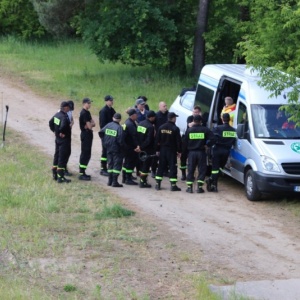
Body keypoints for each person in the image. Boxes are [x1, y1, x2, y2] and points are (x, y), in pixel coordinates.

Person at [206, 113, 236, 192]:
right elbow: (234, 141)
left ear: (222, 119)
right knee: (220, 168)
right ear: (229, 120)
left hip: (217, 150)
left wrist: (208, 145)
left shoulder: (217, 128)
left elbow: (213, 139)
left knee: (215, 168)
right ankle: (212, 181)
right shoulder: (233, 130)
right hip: (226, 152)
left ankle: (213, 184)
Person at [184, 115, 215, 193]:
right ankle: (199, 188)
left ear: (193, 121)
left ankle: (189, 188)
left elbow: (184, 142)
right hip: (201, 152)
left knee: (191, 169)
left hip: (191, 153)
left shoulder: (189, 130)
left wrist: (185, 152)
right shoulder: (205, 130)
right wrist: (207, 145)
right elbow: (213, 138)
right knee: (202, 169)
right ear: (201, 121)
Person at [155, 112, 182, 191]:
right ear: (173, 118)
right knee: (172, 167)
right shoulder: (175, 128)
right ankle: (173, 186)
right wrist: (179, 151)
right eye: (175, 118)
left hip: (162, 150)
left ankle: (158, 184)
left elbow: (157, 140)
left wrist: (157, 150)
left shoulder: (161, 127)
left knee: (161, 166)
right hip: (171, 151)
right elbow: (178, 141)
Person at [49, 101, 72, 183]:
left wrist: (55, 131)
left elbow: (50, 122)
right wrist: (61, 132)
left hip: (57, 139)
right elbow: (63, 126)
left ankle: (54, 174)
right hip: (64, 141)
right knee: (63, 157)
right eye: (68, 107)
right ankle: (60, 177)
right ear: (65, 108)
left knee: (57, 155)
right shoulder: (63, 117)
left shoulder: (57, 115)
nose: (69, 109)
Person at [99, 113, 124, 187]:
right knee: (117, 164)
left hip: (108, 148)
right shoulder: (119, 128)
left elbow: (101, 132)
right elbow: (120, 140)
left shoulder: (108, 125)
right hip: (116, 149)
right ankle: (115, 182)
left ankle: (109, 181)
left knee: (110, 163)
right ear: (120, 119)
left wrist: (104, 141)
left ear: (113, 118)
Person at [180, 105, 202, 181]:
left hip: (195, 141)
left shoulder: (202, 119)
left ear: (199, 113)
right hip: (187, 140)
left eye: (196, 112)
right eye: (193, 112)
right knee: (183, 157)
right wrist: (196, 121)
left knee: (193, 160)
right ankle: (183, 174)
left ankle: (191, 174)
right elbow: (189, 125)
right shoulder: (190, 118)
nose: (194, 113)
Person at [137, 110, 156, 188]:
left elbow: (137, 135)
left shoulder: (140, 123)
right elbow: (149, 140)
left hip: (139, 148)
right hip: (147, 149)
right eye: (154, 117)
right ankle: (143, 182)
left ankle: (142, 180)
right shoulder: (150, 127)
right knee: (146, 166)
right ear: (151, 118)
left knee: (141, 164)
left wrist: (139, 146)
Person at [99, 95, 116, 176]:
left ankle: (109, 167)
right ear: (106, 101)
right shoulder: (103, 111)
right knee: (105, 152)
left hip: (111, 134)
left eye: (112, 100)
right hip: (105, 135)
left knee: (109, 151)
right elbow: (102, 125)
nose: (112, 101)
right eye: (110, 100)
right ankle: (103, 168)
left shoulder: (112, 110)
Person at [122, 108, 140, 185]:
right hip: (130, 147)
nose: (137, 115)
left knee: (126, 162)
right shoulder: (131, 124)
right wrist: (137, 146)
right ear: (132, 116)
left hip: (126, 146)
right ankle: (128, 179)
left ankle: (124, 177)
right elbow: (134, 137)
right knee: (130, 162)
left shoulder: (127, 122)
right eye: (136, 114)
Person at [79, 97, 95, 180]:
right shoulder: (84, 113)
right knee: (85, 153)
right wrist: (90, 125)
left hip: (88, 134)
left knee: (88, 153)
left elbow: (94, 124)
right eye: (88, 103)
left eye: (90, 103)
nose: (89, 104)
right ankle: (81, 172)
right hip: (86, 134)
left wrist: (90, 125)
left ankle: (83, 171)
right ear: (84, 103)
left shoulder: (87, 112)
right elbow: (89, 126)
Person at [151, 101, 168, 178]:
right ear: (160, 107)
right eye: (164, 106)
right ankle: (153, 170)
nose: (165, 107)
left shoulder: (169, 115)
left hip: (167, 138)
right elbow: (151, 125)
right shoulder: (156, 115)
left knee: (165, 155)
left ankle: (165, 170)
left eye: (166, 106)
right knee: (156, 156)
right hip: (158, 138)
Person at [64, 100, 74, 176]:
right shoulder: (61, 113)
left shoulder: (70, 112)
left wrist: (72, 123)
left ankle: (64, 167)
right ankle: (63, 168)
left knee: (68, 152)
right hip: (63, 135)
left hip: (68, 134)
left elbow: (72, 119)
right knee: (64, 152)